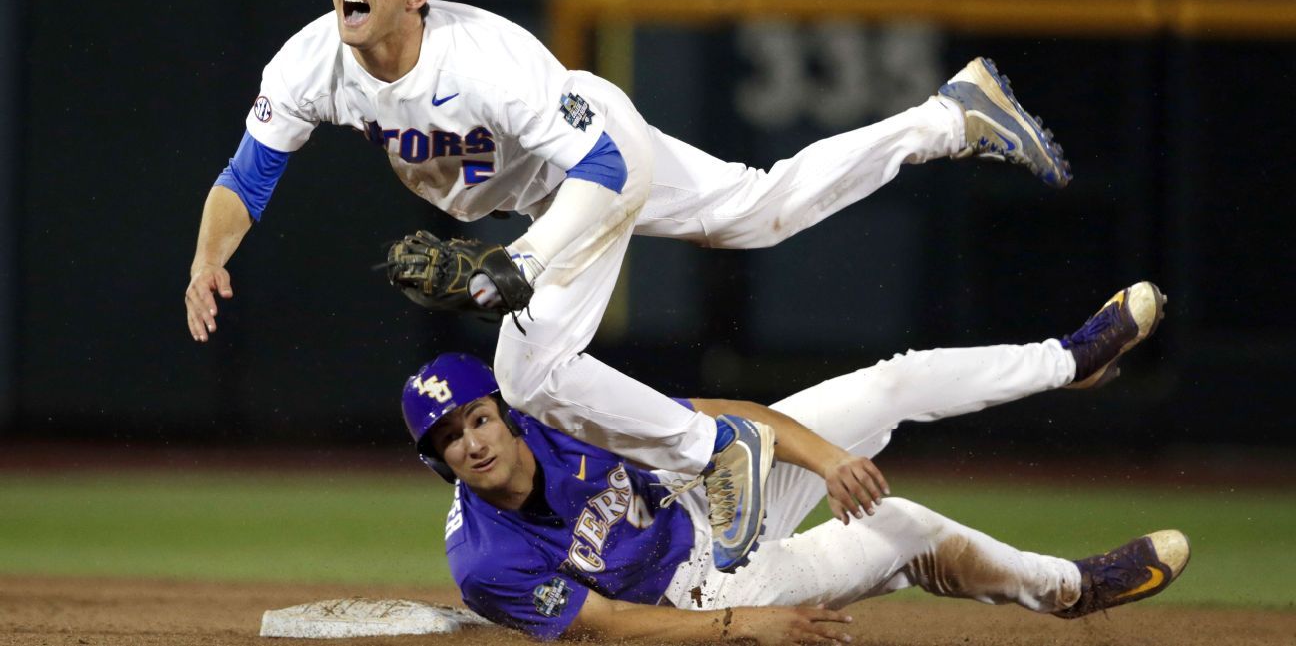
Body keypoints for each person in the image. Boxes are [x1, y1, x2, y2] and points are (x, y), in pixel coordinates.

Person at [184, 0, 1071, 570]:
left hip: (592, 160)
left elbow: (606, 165)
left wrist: (520, 268)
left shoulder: (486, 61)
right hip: (542, 190)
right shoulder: (309, 63)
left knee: (527, 375)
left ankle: (712, 451)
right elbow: (247, 177)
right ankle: (949, 116)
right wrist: (208, 256)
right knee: (760, 211)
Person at [400, 281, 1188, 643]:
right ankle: (1073, 589)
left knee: (892, 383)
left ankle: (1067, 359)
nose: (471, 441)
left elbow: (722, 421)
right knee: (903, 529)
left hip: (706, 499)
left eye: (475, 418)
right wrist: (744, 624)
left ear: (501, 410)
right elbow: (603, 626)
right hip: (694, 594)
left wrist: (830, 457)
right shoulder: (484, 558)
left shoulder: (556, 415)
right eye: (449, 440)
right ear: (440, 463)